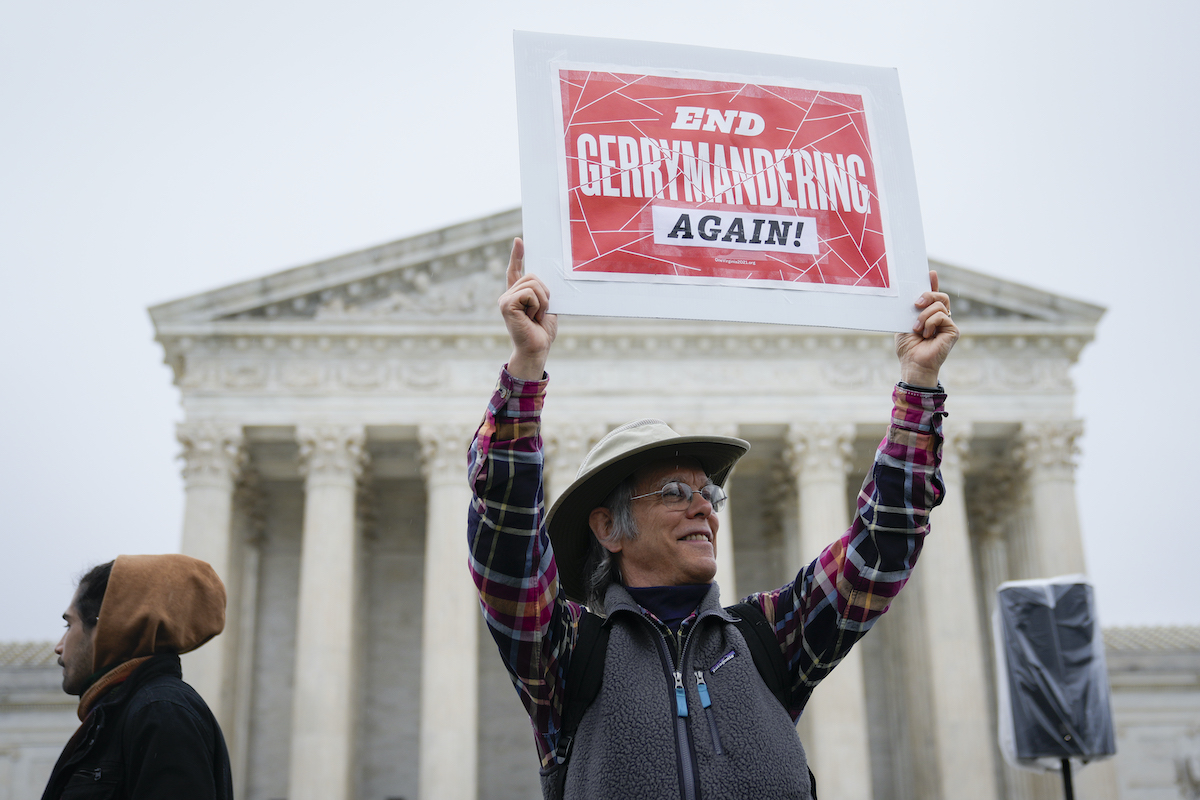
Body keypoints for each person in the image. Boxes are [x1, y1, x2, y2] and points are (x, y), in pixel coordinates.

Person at [467, 238, 958, 800]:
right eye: (676, 492)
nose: (704, 507)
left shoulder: (768, 639)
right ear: (607, 528)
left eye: (711, 495)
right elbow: (506, 545)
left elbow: (881, 548)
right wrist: (525, 372)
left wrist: (917, 388)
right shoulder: (570, 656)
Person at [42, 554, 234, 800]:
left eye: (68, 626)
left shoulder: (160, 710)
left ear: (108, 626)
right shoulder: (125, 711)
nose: (59, 646)